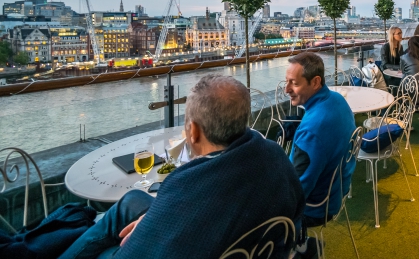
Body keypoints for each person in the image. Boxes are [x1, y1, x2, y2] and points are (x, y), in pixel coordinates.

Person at [58, 75, 305, 259]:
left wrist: (153, 225)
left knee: (108, 241)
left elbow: (135, 252)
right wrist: (154, 217)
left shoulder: (186, 186)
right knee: (132, 200)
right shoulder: (274, 156)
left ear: (194, 131)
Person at [285, 53, 357, 238]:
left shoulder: (312, 132)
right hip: (338, 189)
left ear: (315, 82)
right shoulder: (337, 100)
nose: (287, 89)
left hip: (316, 207)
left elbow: (296, 194)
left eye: (294, 83)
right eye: (287, 81)